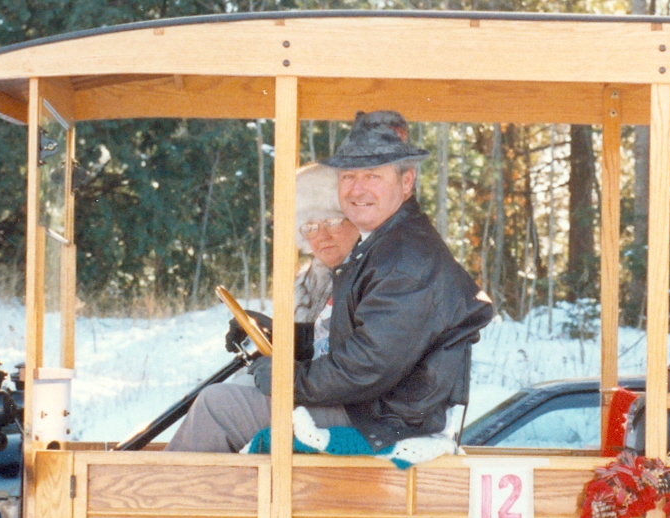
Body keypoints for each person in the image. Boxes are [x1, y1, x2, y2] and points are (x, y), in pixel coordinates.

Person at [168, 110, 493, 453]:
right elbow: (355, 338)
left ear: (406, 181)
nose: (357, 189)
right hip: (375, 408)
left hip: (381, 420)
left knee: (218, 406)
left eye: (372, 176)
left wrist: (289, 380)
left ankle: (166, 503)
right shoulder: (385, 244)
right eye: (348, 176)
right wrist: (279, 334)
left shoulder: (406, 258)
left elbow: (368, 365)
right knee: (236, 391)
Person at [223, 163, 360, 361]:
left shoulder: (369, 275)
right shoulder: (305, 285)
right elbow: (315, 343)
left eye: (332, 223)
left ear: (357, 222)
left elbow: (350, 355)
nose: (323, 236)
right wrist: (269, 330)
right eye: (311, 227)